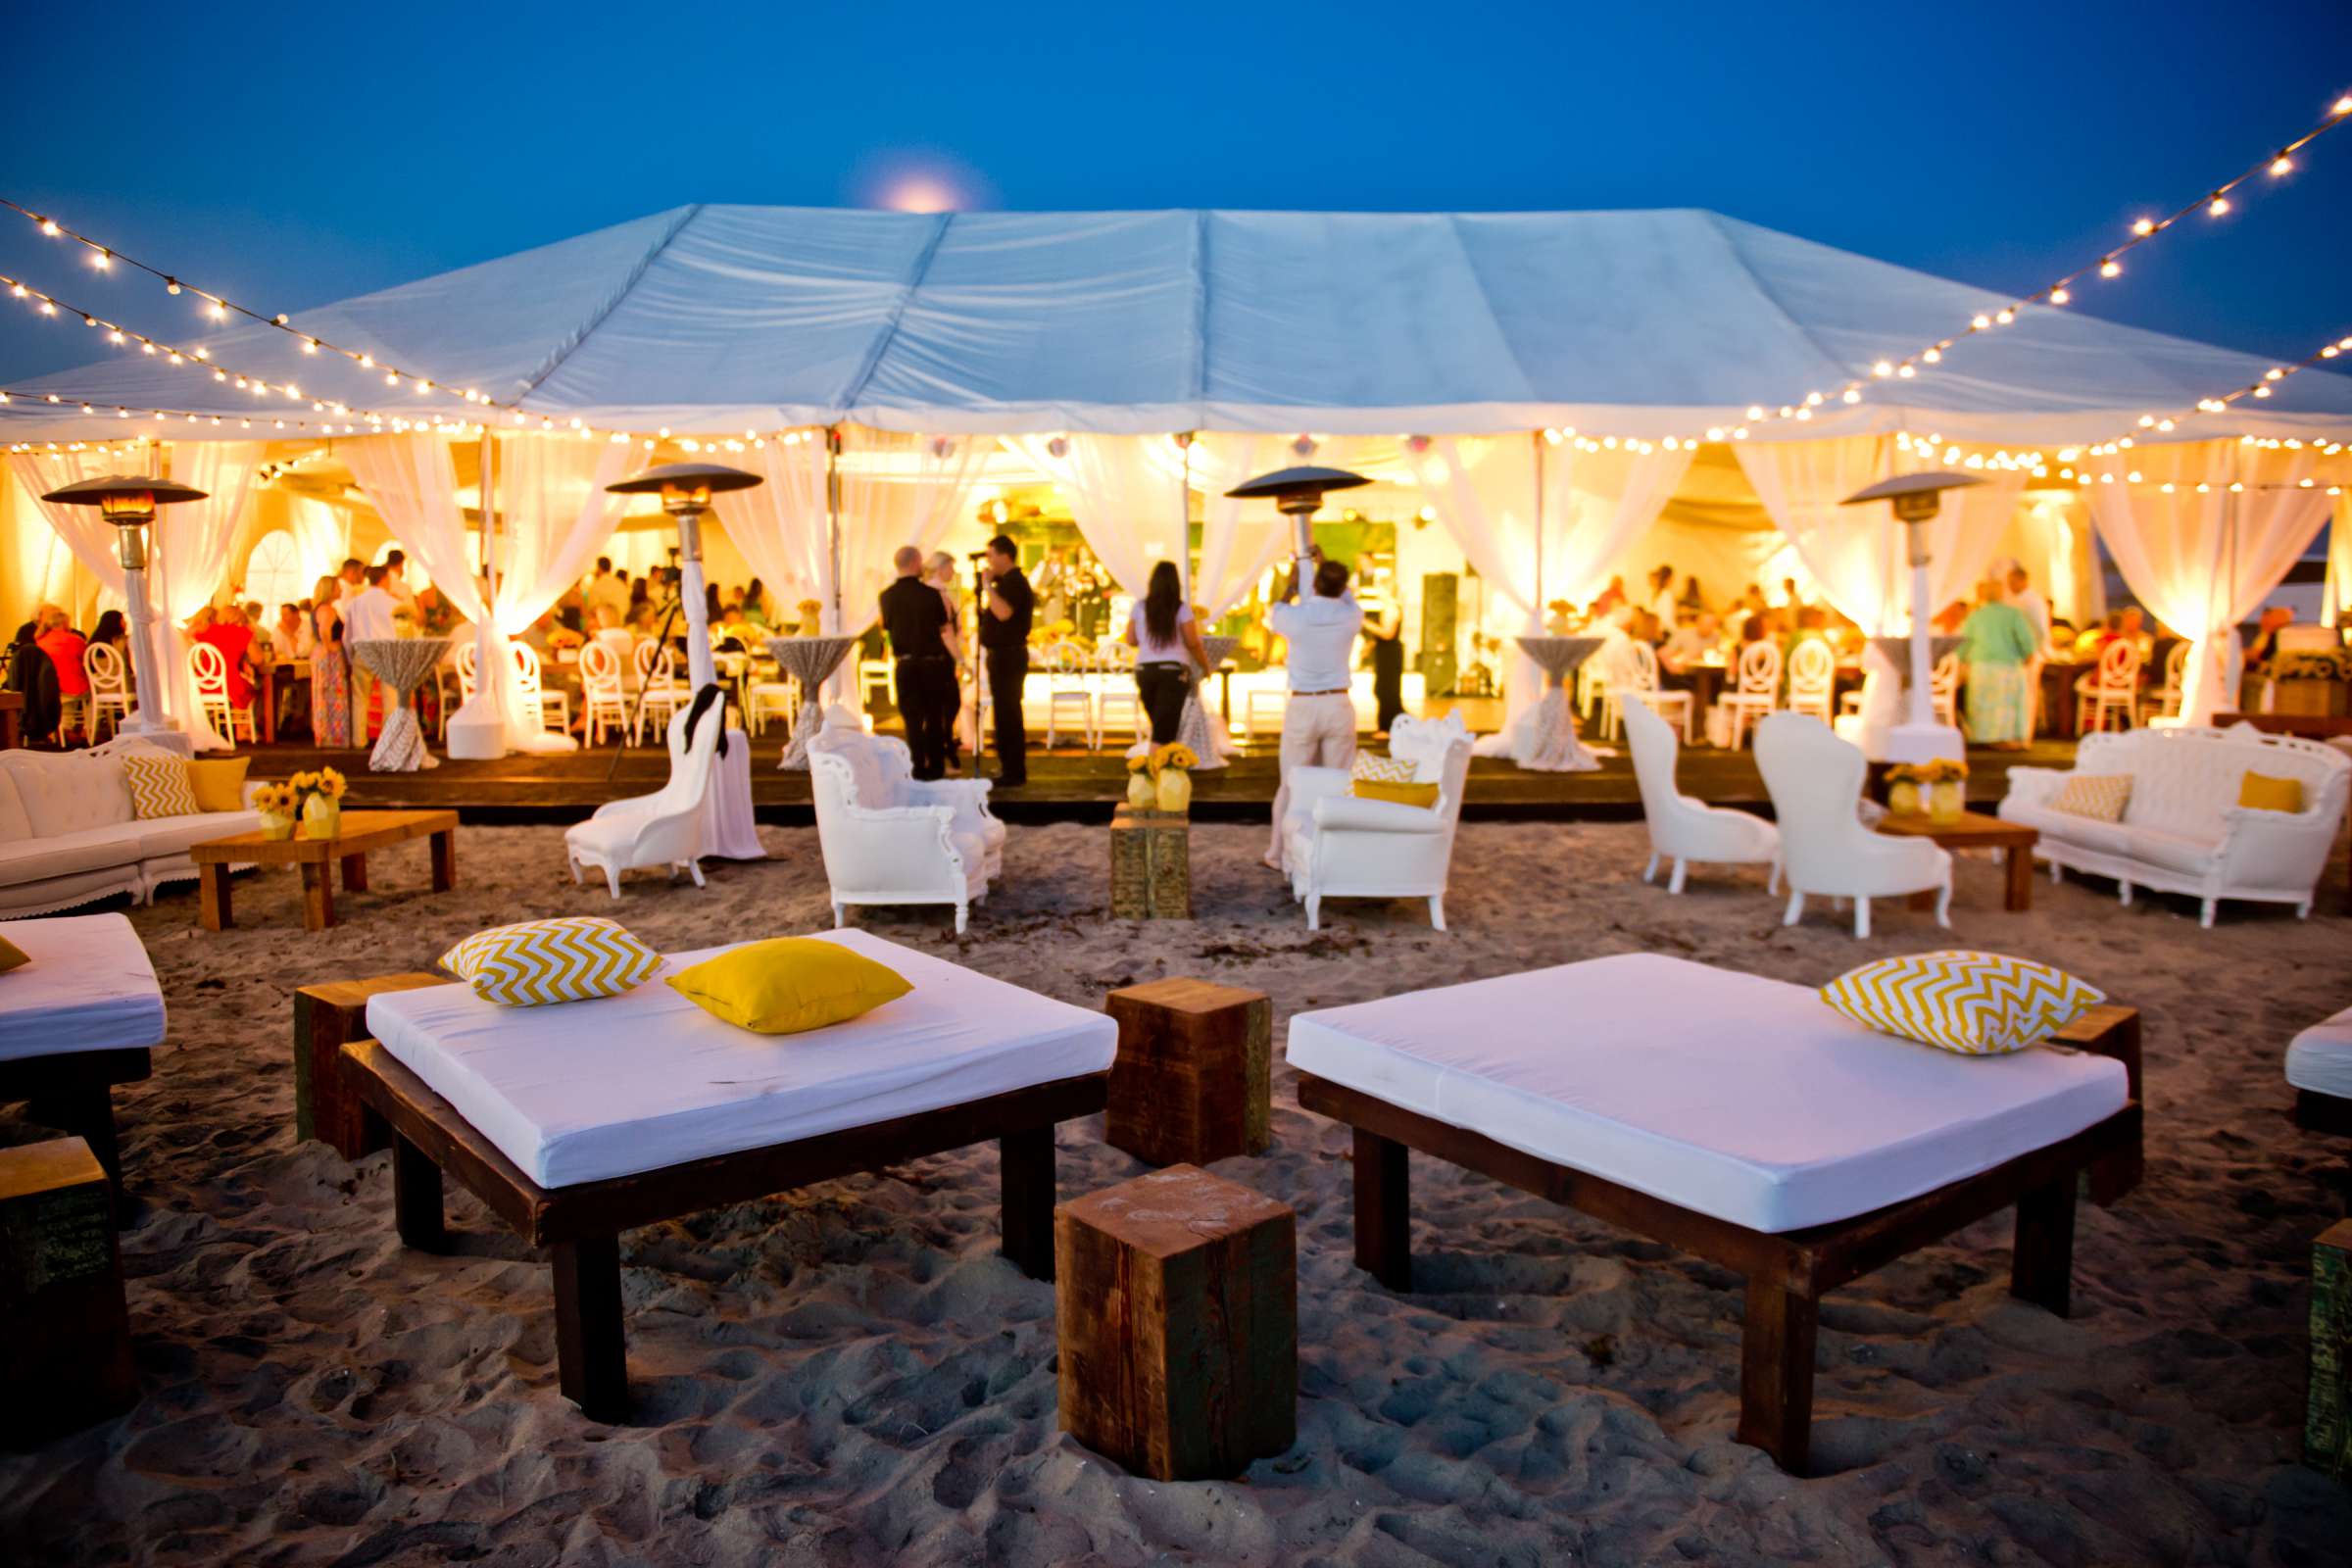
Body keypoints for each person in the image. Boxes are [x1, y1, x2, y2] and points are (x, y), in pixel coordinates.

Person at [1265, 549, 1362, 870]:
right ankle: (1334, 852)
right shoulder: (1351, 616)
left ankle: (1277, 853)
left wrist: (1293, 583)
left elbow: (1275, 609)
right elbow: (1347, 597)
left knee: (1290, 781)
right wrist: (1324, 564)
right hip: (1338, 703)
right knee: (1338, 781)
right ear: (1342, 586)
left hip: (1304, 704)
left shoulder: (1296, 616)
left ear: (1315, 584)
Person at [879, 545, 960, 780]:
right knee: (934, 716)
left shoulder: (886, 596)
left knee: (912, 719)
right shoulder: (931, 595)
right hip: (931, 664)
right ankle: (935, 767)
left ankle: (916, 766)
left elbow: (887, 627)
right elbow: (943, 627)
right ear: (916, 563)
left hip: (905, 664)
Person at [1126, 560, 1212, 748]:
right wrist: (1205, 666)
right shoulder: (1181, 608)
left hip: (1145, 670)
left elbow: (1130, 639)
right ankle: (1157, 773)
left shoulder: (1140, 607)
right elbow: (1193, 642)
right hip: (1173, 672)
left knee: (1160, 728)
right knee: (1163, 733)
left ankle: (1162, 770)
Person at [976, 534, 1034, 787]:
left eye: (991, 555)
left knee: (1008, 712)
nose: (988, 561)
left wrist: (988, 587)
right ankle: (1009, 766)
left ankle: (1013, 771)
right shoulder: (1008, 582)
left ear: (1004, 555)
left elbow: (1004, 613)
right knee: (1004, 712)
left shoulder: (1015, 583)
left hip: (1008, 656)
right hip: (1001, 655)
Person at [1958, 577, 2037, 750]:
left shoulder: (1976, 616)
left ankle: (1982, 736)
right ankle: (2007, 737)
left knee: (1983, 704)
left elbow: (1963, 641)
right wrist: (2029, 653)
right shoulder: (2012, 614)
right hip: (2008, 665)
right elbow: (2025, 637)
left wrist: (1961, 658)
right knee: (2006, 704)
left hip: (1981, 665)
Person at [341, 565, 398, 739]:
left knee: (360, 697)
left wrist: (351, 656)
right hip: (387, 650)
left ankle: (359, 739)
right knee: (390, 698)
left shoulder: (355, 603)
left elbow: (347, 634)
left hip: (363, 649)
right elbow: (401, 630)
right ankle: (389, 739)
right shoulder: (393, 603)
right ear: (384, 579)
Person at [1362, 587, 1405, 737]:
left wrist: (1365, 623)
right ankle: (1391, 726)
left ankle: (1388, 728)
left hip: (1390, 654)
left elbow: (1388, 633)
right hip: (1386, 652)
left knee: (1387, 690)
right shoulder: (1389, 608)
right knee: (1383, 689)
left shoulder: (1392, 609)